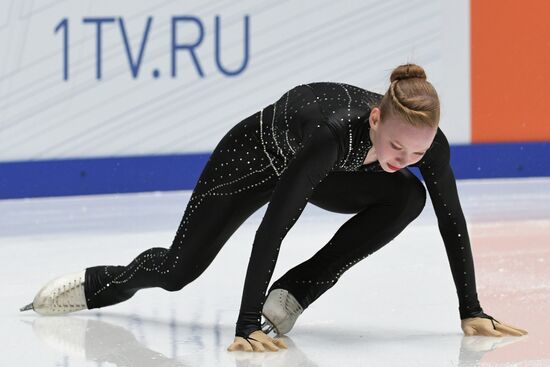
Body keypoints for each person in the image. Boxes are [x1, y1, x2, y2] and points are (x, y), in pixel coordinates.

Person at [20, 64, 528, 353]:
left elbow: (452, 219)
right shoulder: (332, 136)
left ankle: (293, 294)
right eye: (398, 147)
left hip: (331, 172)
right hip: (251, 161)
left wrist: (470, 307)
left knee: (409, 198)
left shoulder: (423, 144)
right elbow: (274, 228)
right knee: (179, 271)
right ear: (376, 119)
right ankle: (96, 283)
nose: (405, 159)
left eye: (417, 153)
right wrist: (244, 323)